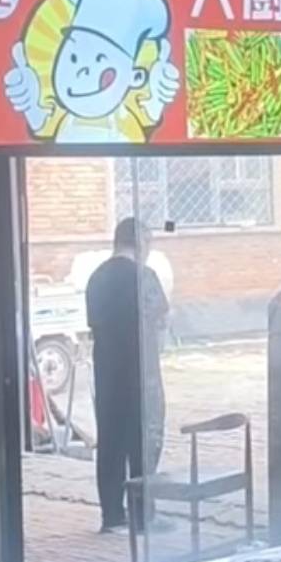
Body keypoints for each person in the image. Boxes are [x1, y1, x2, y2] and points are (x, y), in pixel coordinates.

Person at [85, 217, 169, 534]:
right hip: (141, 374)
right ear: (142, 243)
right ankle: (142, 515)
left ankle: (112, 516)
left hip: (107, 373)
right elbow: (161, 321)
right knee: (144, 441)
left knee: (110, 442)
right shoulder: (144, 276)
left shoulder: (97, 278)